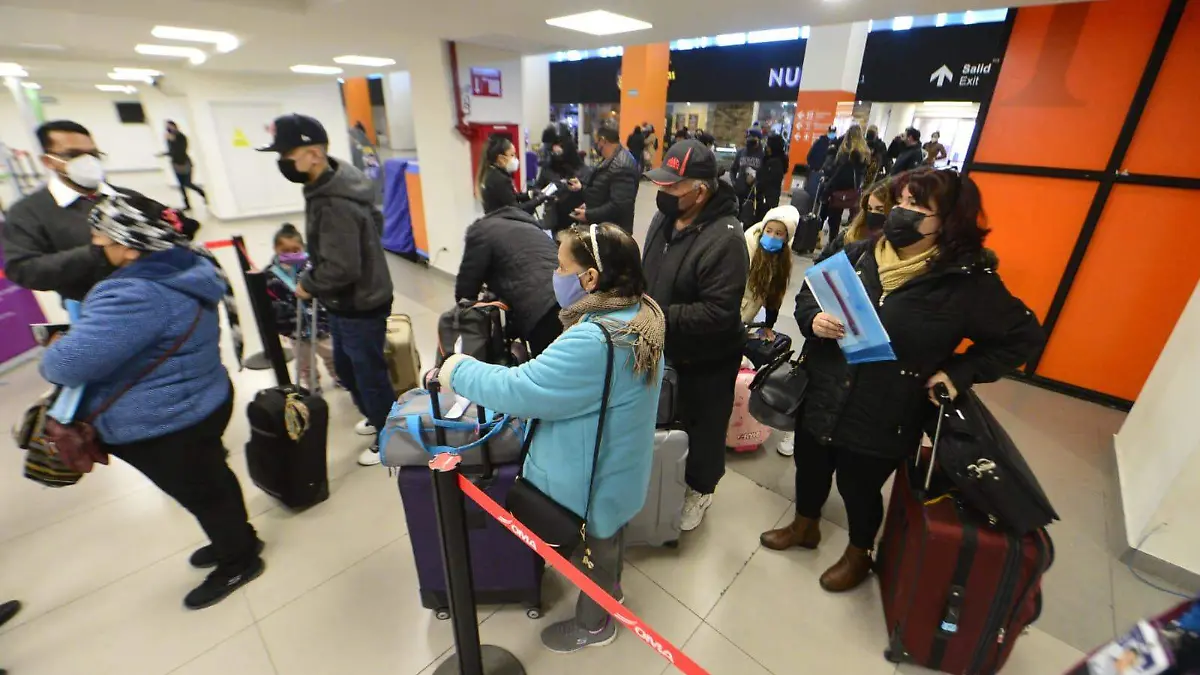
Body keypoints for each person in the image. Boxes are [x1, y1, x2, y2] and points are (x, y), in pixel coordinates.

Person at [760, 168, 1044, 593]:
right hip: (823, 389)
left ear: (948, 220)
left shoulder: (965, 282)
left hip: (887, 408)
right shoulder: (858, 252)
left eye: (918, 206)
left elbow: (1023, 337)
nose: (902, 212)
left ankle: (859, 552)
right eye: (903, 201)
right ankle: (805, 526)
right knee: (811, 465)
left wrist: (959, 372)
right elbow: (809, 293)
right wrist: (812, 319)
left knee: (859, 487)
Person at [436, 222, 665, 653]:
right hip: (620, 464)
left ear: (590, 278)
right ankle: (610, 594)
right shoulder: (642, 313)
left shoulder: (596, 339)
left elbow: (522, 389)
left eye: (561, 267)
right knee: (607, 539)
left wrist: (457, 369)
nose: (555, 276)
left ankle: (595, 624)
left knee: (590, 551)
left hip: (591, 476)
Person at [40, 195, 264, 609]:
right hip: (201, 398)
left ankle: (240, 560)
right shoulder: (186, 263)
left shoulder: (135, 294)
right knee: (212, 481)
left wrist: (56, 346)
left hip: (166, 422)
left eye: (100, 239)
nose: (95, 246)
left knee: (203, 492)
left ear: (129, 247)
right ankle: (238, 538)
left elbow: (63, 367)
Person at [258, 113, 396, 467]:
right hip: (346, 299)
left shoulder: (334, 201)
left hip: (359, 302)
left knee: (367, 374)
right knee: (348, 369)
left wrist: (309, 283)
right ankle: (378, 417)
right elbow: (373, 225)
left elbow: (343, 268)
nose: (283, 162)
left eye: (287, 155)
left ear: (314, 154)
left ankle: (390, 436)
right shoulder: (332, 182)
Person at [642, 139, 749, 532]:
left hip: (708, 358)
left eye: (673, 186)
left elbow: (718, 313)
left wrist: (654, 314)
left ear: (700, 191)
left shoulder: (727, 240)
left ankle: (701, 489)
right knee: (666, 416)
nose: (663, 192)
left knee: (704, 427)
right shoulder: (664, 218)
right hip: (663, 345)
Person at [1, 120, 138, 302]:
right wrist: (97, 254)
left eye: (93, 154)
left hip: (153, 295)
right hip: (91, 304)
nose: (88, 162)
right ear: (48, 161)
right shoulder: (28, 212)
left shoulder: (128, 197)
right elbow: (23, 270)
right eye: (73, 155)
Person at [456, 203, 562, 356]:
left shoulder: (482, 230)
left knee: (549, 365)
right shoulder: (531, 226)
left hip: (540, 310)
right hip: (570, 297)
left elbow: (465, 292)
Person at [742, 205, 799, 455]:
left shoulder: (782, 257)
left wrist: (768, 325)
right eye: (769, 231)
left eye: (779, 234)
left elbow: (775, 293)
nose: (773, 237)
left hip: (748, 313)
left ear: (787, 238)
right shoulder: (745, 246)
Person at [266, 223, 337, 390]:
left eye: (295, 250)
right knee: (305, 363)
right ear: (275, 249)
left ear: (303, 247)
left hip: (322, 323)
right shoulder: (270, 274)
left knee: (332, 355)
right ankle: (312, 385)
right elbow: (271, 302)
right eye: (285, 251)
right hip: (295, 330)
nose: (291, 254)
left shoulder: (314, 267)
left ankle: (339, 376)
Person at [567, 125, 638, 234]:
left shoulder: (621, 165)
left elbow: (619, 205)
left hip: (613, 232)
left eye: (596, 141)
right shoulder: (610, 158)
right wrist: (590, 204)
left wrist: (589, 215)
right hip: (605, 227)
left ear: (603, 141)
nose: (595, 145)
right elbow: (602, 189)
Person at [816, 176, 900, 264]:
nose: (873, 213)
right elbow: (821, 261)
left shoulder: (896, 247)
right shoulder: (849, 235)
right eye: (869, 208)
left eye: (880, 210)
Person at [820, 125, 870, 245]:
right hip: (854, 190)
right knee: (853, 220)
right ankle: (849, 242)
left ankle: (833, 243)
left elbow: (838, 175)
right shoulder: (865, 153)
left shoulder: (846, 152)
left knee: (834, 219)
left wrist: (826, 191)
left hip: (839, 190)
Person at [533, 132, 591, 235]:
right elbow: (537, 187)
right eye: (554, 153)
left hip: (578, 218)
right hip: (556, 219)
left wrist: (580, 188)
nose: (557, 157)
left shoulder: (583, 170)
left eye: (559, 153)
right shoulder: (548, 169)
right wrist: (545, 194)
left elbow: (592, 193)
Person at [476, 134, 544, 215]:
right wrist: (537, 200)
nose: (515, 159)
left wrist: (530, 194)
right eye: (512, 155)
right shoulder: (500, 179)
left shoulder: (490, 173)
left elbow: (510, 196)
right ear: (501, 159)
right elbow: (516, 210)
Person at [162, 120, 207, 212]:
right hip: (176, 164)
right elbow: (171, 151)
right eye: (167, 127)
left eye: (170, 126)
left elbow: (182, 150)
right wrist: (165, 151)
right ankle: (187, 205)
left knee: (188, 183)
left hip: (185, 163)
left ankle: (204, 194)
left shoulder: (181, 137)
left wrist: (173, 141)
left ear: (175, 126)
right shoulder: (168, 138)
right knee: (181, 186)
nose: (168, 128)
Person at [755, 134, 787, 223]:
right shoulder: (769, 159)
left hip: (767, 199)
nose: (766, 147)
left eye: (768, 144)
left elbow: (766, 180)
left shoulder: (775, 163)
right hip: (767, 197)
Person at [729, 129, 765, 206]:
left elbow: (766, 175)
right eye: (748, 137)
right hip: (739, 192)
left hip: (755, 195)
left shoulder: (763, 155)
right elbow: (732, 169)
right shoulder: (741, 152)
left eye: (752, 138)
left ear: (758, 140)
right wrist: (734, 183)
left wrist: (755, 179)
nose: (749, 140)